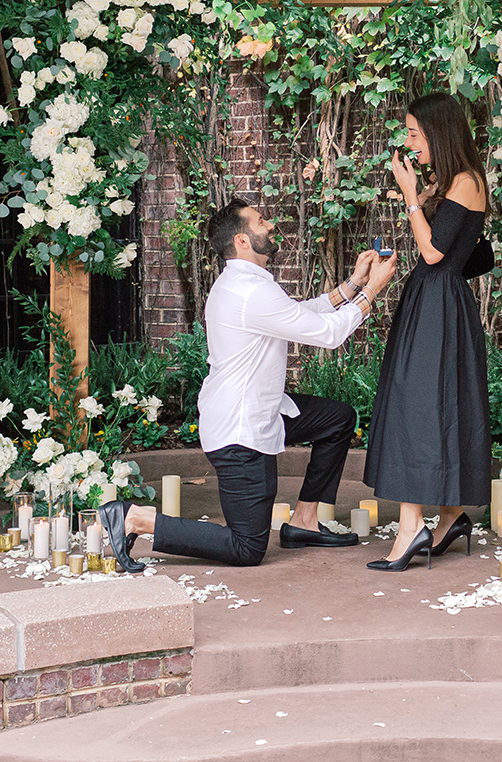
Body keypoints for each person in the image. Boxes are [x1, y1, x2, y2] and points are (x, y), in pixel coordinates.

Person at [99, 199, 397, 571]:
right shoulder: (249, 292)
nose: (270, 224)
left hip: (264, 410)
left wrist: (355, 283)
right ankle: (137, 520)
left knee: (337, 418)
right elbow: (328, 333)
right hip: (240, 432)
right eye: (261, 221)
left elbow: (299, 314)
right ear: (242, 240)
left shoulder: (249, 285)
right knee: (247, 548)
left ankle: (304, 520)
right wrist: (373, 291)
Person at [363, 92, 494, 571]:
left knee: (416, 405)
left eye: (415, 133)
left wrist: (411, 196)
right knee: (427, 401)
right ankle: (450, 516)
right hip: (433, 301)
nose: (410, 143)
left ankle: (410, 529)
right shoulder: (456, 179)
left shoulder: (464, 181)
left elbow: (435, 253)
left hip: (439, 303)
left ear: (438, 131)